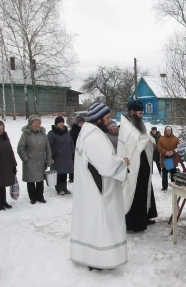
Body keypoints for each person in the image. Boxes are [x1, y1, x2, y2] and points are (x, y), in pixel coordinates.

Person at [71, 103, 130, 270]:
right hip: (100, 191)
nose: (109, 120)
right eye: (107, 118)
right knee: (102, 225)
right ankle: (101, 260)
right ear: (98, 120)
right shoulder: (95, 138)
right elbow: (107, 165)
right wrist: (123, 163)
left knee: (92, 223)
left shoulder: (87, 133)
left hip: (91, 188)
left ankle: (91, 257)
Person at [118, 100, 158, 232]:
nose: (142, 116)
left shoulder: (136, 123)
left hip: (143, 163)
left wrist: (149, 139)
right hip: (134, 165)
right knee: (135, 192)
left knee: (144, 190)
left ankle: (144, 216)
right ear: (132, 112)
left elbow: (142, 137)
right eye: (140, 113)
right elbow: (132, 143)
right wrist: (146, 139)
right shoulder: (126, 126)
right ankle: (135, 223)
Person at [17, 115, 52, 204]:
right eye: (35, 123)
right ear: (30, 124)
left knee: (40, 180)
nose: (37, 124)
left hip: (41, 160)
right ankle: (33, 198)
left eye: (38, 123)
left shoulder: (43, 134)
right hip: (30, 161)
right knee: (31, 180)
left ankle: (40, 197)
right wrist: (25, 158)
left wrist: (48, 159)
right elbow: (20, 148)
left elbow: (47, 147)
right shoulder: (26, 134)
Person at [48, 116, 74, 195]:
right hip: (57, 156)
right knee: (59, 173)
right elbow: (49, 146)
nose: (61, 124)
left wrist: (72, 153)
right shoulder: (51, 133)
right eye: (59, 123)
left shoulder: (66, 132)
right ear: (56, 124)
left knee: (64, 173)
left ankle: (65, 188)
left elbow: (71, 143)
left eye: (62, 122)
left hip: (67, 156)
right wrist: (51, 157)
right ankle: (59, 189)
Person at [157, 126, 179, 190]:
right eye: (167, 130)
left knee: (173, 173)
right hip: (164, 158)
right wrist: (166, 152)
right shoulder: (161, 139)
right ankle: (164, 186)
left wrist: (173, 152)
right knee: (164, 173)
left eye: (169, 130)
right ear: (165, 131)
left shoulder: (175, 139)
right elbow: (159, 147)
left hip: (173, 158)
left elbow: (178, 147)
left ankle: (173, 186)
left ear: (171, 131)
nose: (168, 131)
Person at [69, 116, 85, 183]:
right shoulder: (73, 131)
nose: (81, 124)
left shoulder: (83, 130)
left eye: (82, 123)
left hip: (82, 150)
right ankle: (72, 177)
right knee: (74, 164)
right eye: (80, 123)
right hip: (75, 149)